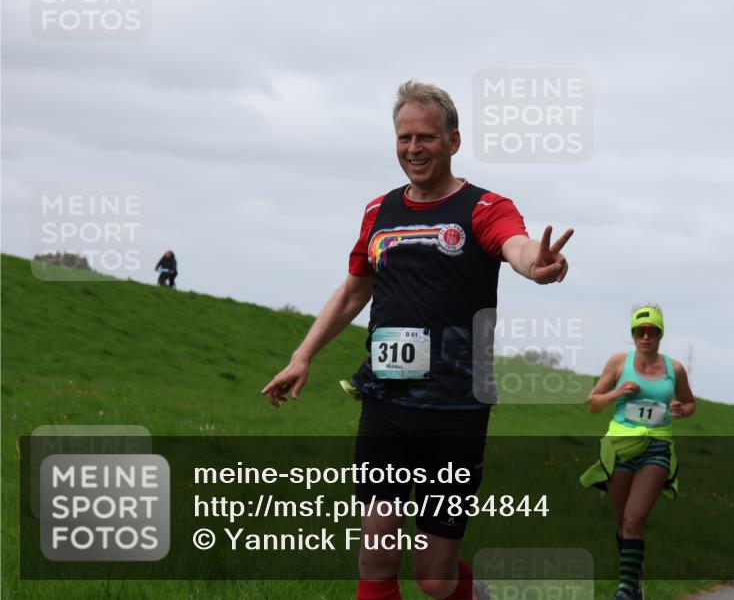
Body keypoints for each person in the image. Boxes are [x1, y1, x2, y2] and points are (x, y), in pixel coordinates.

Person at [260, 81, 573, 600]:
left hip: (454, 411)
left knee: (433, 577)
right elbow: (353, 291)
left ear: (453, 140)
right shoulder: (378, 213)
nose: (413, 148)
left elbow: (516, 247)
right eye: (404, 137)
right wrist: (302, 355)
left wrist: (536, 266)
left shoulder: (484, 208)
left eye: (426, 137)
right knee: (376, 554)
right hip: (385, 402)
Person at [582, 305, 695, 600]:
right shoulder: (619, 363)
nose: (646, 337)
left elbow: (690, 403)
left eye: (652, 331)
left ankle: (624, 592)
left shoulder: (675, 369)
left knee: (634, 520)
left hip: (657, 447)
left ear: (660, 334)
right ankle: (635, 582)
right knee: (622, 525)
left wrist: (681, 410)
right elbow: (593, 403)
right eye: (639, 331)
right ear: (632, 334)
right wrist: (617, 393)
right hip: (620, 446)